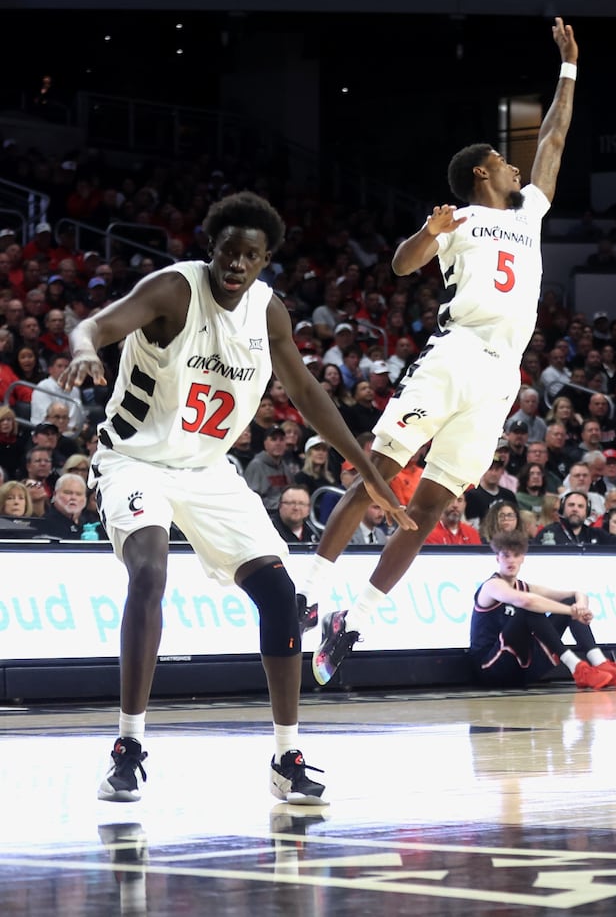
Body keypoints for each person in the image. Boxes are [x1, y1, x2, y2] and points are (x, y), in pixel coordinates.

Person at [60, 191, 412, 805]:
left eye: (251, 255)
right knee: (149, 571)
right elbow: (97, 324)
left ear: (265, 260)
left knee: (280, 594)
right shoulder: (175, 290)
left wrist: (368, 470)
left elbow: (306, 391)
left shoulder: (267, 312)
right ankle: (128, 747)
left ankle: (285, 756)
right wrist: (87, 348)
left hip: (205, 469)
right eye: (228, 251)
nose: (236, 264)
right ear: (211, 249)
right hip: (133, 459)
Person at [308, 19, 579, 686]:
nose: (520, 169)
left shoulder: (527, 215)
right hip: (454, 355)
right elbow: (403, 265)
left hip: (499, 380)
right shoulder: (458, 218)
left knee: (429, 508)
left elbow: (552, 138)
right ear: (485, 172)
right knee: (377, 471)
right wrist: (427, 234)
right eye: (506, 163)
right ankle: (309, 592)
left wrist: (568, 68)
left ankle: (357, 619)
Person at [470, 530, 616, 689]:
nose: (511, 560)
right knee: (529, 608)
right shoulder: (492, 586)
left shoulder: (524, 586)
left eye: (516, 555)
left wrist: (580, 606)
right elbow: (526, 601)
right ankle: (577, 667)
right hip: (491, 668)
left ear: (523, 558)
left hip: (523, 669)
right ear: (497, 558)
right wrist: (571, 611)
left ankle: (600, 662)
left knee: (567, 601)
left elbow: (576, 593)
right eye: (505, 555)